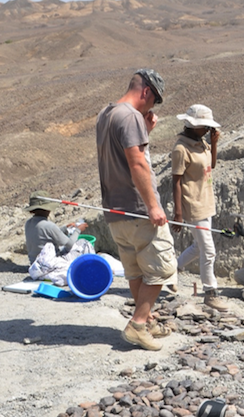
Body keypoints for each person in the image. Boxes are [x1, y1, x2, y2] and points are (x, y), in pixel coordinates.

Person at [96, 68, 177, 351]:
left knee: (135, 270)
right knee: (162, 267)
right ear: (146, 92)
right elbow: (137, 164)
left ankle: (148, 318)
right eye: (154, 101)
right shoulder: (130, 117)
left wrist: (146, 129)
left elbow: (123, 154)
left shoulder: (106, 114)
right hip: (138, 209)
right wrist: (153, 206)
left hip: (115, 210)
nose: (152, 107)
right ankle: (138, 325)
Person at [169, 104, 231, 312]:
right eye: (204, 126)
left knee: (199, 247)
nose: (207, 129)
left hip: (206, 201)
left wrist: (213, 144)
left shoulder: (201, 143)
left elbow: (210, 165)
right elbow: (176, 181)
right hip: (193, 204)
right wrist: (178, 213)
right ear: (191, 125)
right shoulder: (181, 149)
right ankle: (210, 293)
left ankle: (173, 269)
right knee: (209, 250)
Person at [24, 190, 88, 263]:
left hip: (34, 263)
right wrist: (78, 230)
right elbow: (70, 244)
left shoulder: (28, 223)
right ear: (48, 209)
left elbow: (47, 234)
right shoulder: (49, 226)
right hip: (49, 263)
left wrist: (65, 228)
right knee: (84, 245)